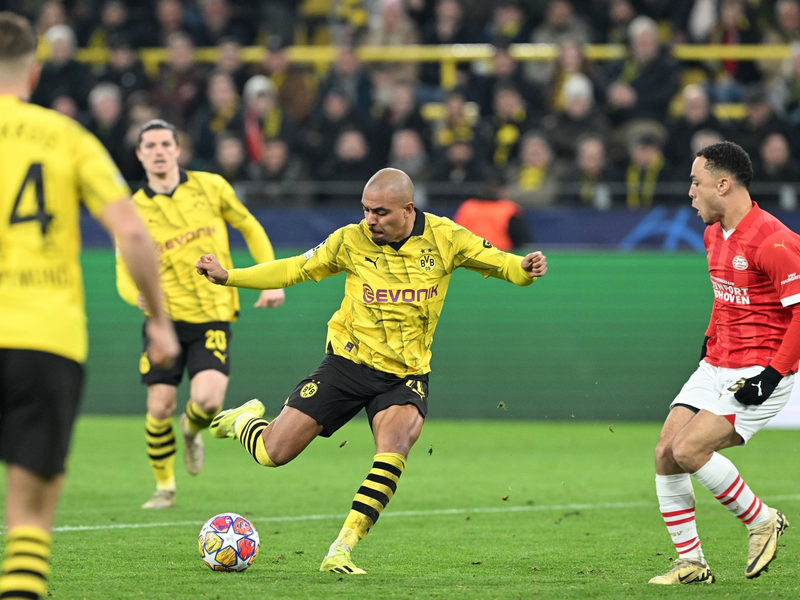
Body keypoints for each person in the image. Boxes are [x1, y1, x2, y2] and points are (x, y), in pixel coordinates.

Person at [194, 168, 547, 574]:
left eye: (379, 212)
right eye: (365, 210)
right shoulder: (350, 239)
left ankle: (341, 549)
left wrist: (525, 268)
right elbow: (295, 268)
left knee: (393, 449)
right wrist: (229, 277)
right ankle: (244, 422)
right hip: (347, 363)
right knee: (274, 454)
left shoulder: (446, 237)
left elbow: (503, 264)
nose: (370, 220)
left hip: (405, 374)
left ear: (407, 209)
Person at [0, 12, 178, 600]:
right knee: (28, 514)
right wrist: (159, 319)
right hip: (46, 339)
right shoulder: (66, 137)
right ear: (35, 70)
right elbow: (131, 234)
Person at [116, 119, 285, 510]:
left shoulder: (212, 186)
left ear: (178, 150)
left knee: (208, 402)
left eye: (165, 143)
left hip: (212, 312)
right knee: (158, 405)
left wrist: (270, 277)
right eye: (150, 146)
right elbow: (122, 271)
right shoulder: (131, 209)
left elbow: (248, 225)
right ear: (140, 154)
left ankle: (190, 431)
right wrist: (135, 297)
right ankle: (164, 488)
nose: (158, 151)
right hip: (163, 320)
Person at [650, 141, 798, 585]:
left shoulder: (775, 240)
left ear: (723, 183)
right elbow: (725, 296)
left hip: (759, 370)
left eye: (695, 183)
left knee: (689, 449)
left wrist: (771, 377)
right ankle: (691, 564)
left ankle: (761, 520)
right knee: (665, 454)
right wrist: (708, 341)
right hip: (717, 363)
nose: (690, 194)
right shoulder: (713, 233)